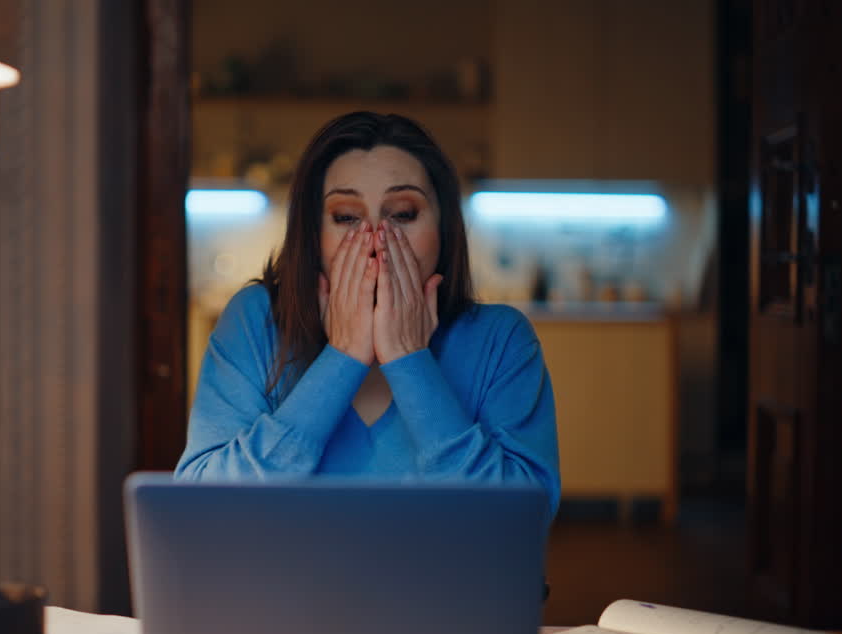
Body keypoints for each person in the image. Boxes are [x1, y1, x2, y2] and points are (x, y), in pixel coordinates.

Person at [176, 111, 560, 515]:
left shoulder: (502, 339)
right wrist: (341, 357)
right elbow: (205, 506)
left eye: (403, 214)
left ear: (443, 230)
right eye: (346, 217)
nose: (377, 239)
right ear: (314, 235)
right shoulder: (254, 321)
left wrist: (410, 361)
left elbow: (522, 520)